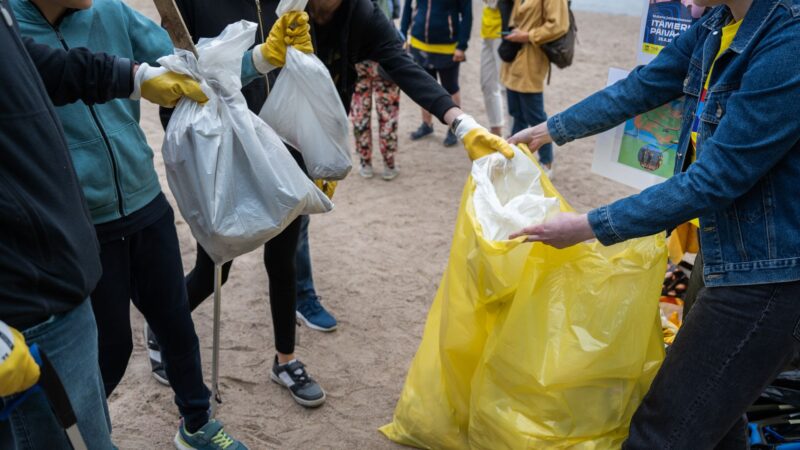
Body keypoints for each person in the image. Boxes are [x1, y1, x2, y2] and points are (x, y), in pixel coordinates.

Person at [509, 0, 800, 448]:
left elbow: (716, 178)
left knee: (661, 430)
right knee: (717, 417)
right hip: (724, 248)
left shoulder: (789, 40)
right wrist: (548, 130)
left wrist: (589, 225)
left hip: (771, 269)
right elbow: (642, 86)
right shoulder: (720, 23)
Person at [0, 0, 212, 447]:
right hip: (85, 227)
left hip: (143, 200)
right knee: (112, 348)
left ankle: (198, 422)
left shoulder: (111, 13)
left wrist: (258, 59)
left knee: (176, 322)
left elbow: (188, 62)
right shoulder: (13, 23)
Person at [499, 0, 568, 173]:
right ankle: (515, 156)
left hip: (532, 58)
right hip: (514, 56)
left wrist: (527, 35)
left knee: (535, 115)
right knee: (516, 113)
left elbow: (559, 25)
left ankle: (546, 162)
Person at [401, 0, 472, 147]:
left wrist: (462, 45)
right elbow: (408, 8)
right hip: (419, 45)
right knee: (424, 88)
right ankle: (426, 125)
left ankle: (454, 129)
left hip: (447, 47)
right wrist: (402, 36)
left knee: (450, 88)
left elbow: (467, 15)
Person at [350, 0, 402, 180]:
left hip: (359, 56)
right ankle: (389, 163)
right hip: (384, 56)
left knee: (360, 110)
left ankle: (365, 162)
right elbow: (395, 10)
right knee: (387, 112)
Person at [480, 0, 506, 136]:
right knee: (487, 85)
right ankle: (496, 132)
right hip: (488, 31)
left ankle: (514, 135)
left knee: (505, 87)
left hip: (504, 31)